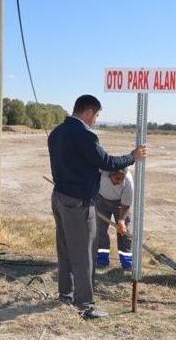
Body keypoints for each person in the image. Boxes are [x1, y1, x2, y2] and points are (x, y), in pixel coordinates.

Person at [48, 94, 147, 319]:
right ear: (89, 112)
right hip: (78, 203)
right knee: (84, 253)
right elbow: (107, 163)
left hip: (59, 198)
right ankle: (85, 304)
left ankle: (66, 293)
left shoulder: (57, 133)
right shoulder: (84, 135)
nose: (97, 120)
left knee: (65, 249)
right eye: (97, 115)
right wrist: (133, 157)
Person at [96, 168, 134, 270]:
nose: (118, 182)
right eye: (116, 179)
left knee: (124, 232)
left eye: (121, 180)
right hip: (101, 200)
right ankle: (102, 260)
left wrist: (121, 221)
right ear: (110, 174)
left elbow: (126, 204)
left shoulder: (128, 182)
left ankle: (127, 263)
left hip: (120, 204)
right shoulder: (102, 171)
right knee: (99, 230)